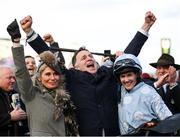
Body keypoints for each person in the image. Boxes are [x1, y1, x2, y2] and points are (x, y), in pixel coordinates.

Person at [20, 11, 156, 136]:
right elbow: (49, 57)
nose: (89, 58)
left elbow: (129, 56)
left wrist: (146, 26)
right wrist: (30, 32)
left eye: (91, 56)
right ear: (76, 66)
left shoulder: (108, 74)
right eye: (83, 57)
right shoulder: (72, 77)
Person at [7, 19, 79, 136]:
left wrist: (51, 43)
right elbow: (21, 71)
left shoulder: (65, 97)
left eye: (55, 74)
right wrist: (16, 42)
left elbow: (55, 60)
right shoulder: (31, 95)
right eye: (47, 74)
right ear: (39, 77)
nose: (53, 78)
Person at [113, 53, 172, 135]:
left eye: (129, 75)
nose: (126, 80)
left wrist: (155, 125)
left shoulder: (150, 93)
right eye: (123, 76)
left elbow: (169, 121)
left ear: (137, 74)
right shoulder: (121, 91)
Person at [0, 66, 27, 136]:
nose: (13, 81)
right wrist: (10, 117)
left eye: (13, 78)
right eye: (9, 78)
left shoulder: (15, 94)